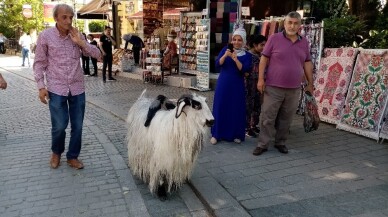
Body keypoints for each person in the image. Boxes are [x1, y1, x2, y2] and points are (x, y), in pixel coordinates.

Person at [33, 4, 102, 169]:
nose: (68, 20)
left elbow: (98, 55)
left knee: (77, 126)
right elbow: (39, 63)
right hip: (56, 88)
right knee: (60, 126)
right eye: (64, 17)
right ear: (56, 18)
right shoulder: (46, 36)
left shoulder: (76, 35)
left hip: (77, 88)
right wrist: (41, 86)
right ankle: (56, 152)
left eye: (71, 17)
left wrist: (81, 43)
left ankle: (72, 156)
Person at [252, 11, 314, 156]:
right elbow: (264, 59)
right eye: (289, 22)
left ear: (300, 25)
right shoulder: (274, 38)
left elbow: (307, 63)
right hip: (273, 87)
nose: (292, 26)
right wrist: (261, 79)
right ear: (284, 24)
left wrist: (310, 83)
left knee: (286, 118)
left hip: (294, 88)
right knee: (268, 117)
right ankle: (263, 144)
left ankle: (280, 142)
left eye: (295, 23)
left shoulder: (304, 42)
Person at [210, 27, 252, 145]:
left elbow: (244, 70)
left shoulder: (247, 55)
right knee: (220, 107)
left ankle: (236, 134)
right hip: (223, 84)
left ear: (243, 41)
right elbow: (218, 64)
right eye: (234, 39)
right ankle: (216, 134)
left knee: (235, 108)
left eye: (239, 40)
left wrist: (235, 59)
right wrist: (225, 56)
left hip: (237, 85)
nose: (236, 42)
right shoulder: (225, 49)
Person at [245, 34, 266, 138]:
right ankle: (247, 128)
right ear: (254, 44)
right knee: (249, 105)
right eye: (262, 45)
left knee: (257, 105)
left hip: (259, 85)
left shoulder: (262, 56)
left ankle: (254, 125)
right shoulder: (247, 56)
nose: (264, 47)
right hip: (249, 85)